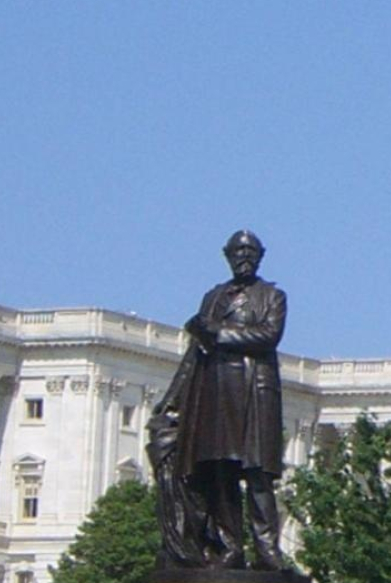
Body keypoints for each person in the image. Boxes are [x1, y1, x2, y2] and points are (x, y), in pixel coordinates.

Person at [151, 230, 290, 570]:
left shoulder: (273, 296)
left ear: (261, 255)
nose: (244, 257)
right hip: (216, 393)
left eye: (250, 251)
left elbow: (268, 336)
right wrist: (172, 400)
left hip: (254, 393)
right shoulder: (213, 297)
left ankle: (267, 549)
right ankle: (231, 547)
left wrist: (218, 333)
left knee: (258, 474)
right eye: (237, 251)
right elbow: (194, 353)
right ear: (226, 256)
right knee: (222, 472)